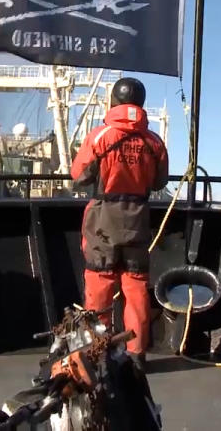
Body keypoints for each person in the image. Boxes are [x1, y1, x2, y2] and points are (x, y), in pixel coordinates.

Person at [70, 78, 169, 368]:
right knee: (136, 288)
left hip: (103, 219)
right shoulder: (154, 142)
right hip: (137, 218)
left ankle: (97, 354)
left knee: (100, 287)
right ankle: (136, 355)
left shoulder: (99, 136)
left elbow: (79, 176)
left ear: (113, 101)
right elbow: (159, 181)